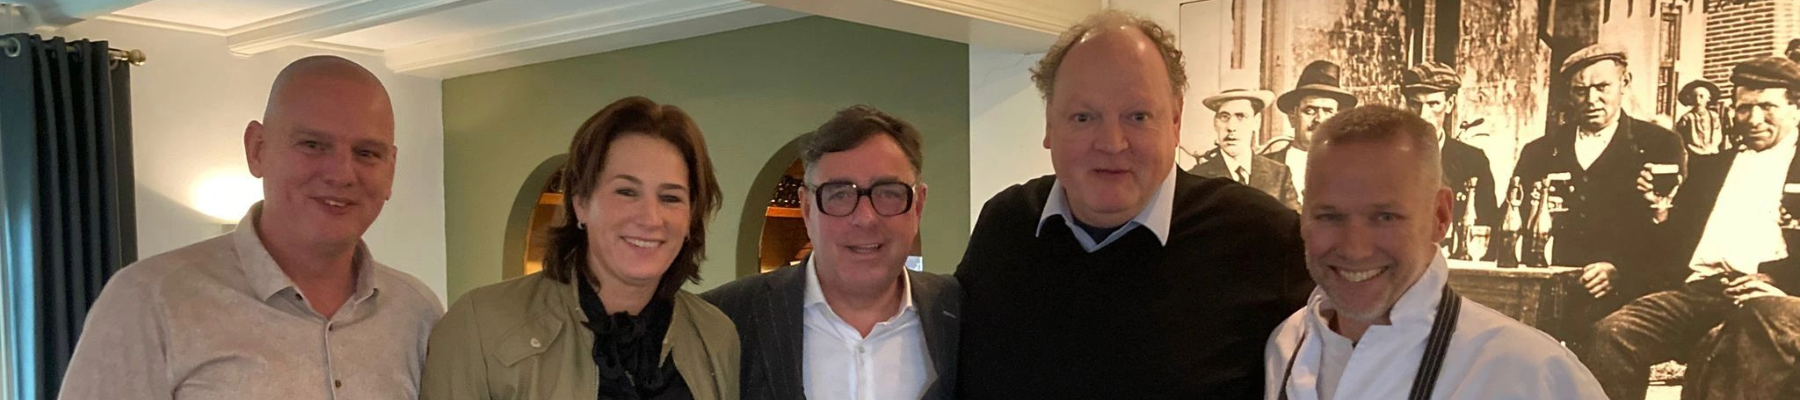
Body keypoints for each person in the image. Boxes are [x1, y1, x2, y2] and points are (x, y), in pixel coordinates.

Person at [955, 10, 1313, 400]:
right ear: (1049, 124)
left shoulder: (1263, 237)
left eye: (1138, 116)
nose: (1111, 143)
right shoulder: (1006, 224)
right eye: (1083, 117)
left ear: (1175, 121)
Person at [56, 56, 442, 400]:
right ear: (257, 149)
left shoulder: (417, 312)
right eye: (313, 145)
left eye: (366, 153)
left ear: (391, 169)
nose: (341, 174)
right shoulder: (149, 300)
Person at [1264, 105, 1606, 400]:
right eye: (1329, 216)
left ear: (1440, 217)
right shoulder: (1287, 345)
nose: (1355, 249)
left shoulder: (1529, 372)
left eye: (1385, 217)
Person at [421, 96, 738, 400]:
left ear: (691, 217)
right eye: (626, 192)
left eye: (670, 198)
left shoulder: (715, 336)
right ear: (581, 203)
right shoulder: (480, 326)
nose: (650, 218)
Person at [702, 105, 960, 400]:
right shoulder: (723, 320)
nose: (865, 218)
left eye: (888, 193)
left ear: (918, 206)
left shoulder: (961, 314)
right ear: (806, 208)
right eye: (839, 195)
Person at [1586, 56, 1800, 400]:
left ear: (1795, 109)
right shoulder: (1712, 168)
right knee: (1612, 334)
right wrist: (1660, 208)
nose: (1754, 119)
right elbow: (1672, 245)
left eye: (1767, 107)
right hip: (1701, 291)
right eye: (1744, 108)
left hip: (1775, 298)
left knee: (1748, 335)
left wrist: (1778, 282)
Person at [1511, 43, 1686, 317]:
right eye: (1580, 91)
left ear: (1624, 83)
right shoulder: (1540, 151)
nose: (1591, 99)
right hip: (1546, 295)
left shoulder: (1660, 145)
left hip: (1626, 300)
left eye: (1602, 87)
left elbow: (1678, 234)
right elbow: (1511, 221)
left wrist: (1622, 271)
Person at [1402, 61, 1498, 231]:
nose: (1423, 115)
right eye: (1415, 104)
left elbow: (1488, 227)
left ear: (1450, 104)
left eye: (1433, 104)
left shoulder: (1473, 162)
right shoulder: (1385, 158)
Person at [1189, 88, 1302, 209]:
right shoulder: (1196, 178)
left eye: (1241, 116)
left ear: (1256, 122)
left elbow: (1296, 220)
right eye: (1224, 117)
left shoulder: (1279, 174)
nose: (1231, 127)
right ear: (1215, 123)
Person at [1267, 60, 1359, 202]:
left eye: (1328, 111)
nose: (1319, 119)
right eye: (1310, 110)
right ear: (1292, 117)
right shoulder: (1264, 166)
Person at [1676, 79, 1727, 156]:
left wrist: (1712, 146)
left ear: (1708, 98)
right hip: (1693, 152)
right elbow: (1680, 135)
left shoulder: (1714, 116)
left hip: (1711, 151)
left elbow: (1717, 133)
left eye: (1701, 96)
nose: (1698, 100)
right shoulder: (1687, 117)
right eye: (1694, 97)